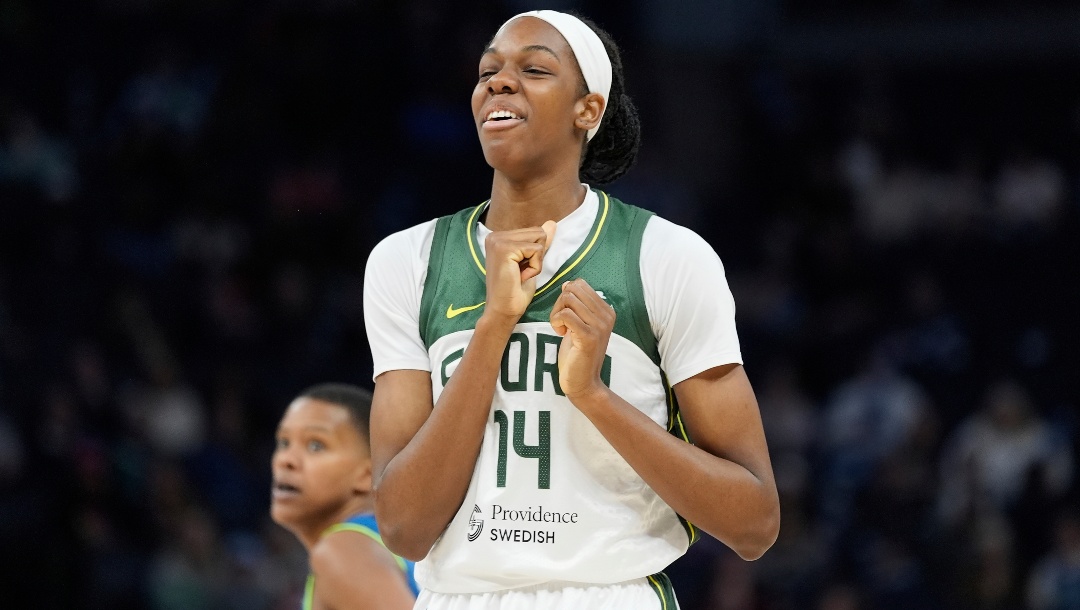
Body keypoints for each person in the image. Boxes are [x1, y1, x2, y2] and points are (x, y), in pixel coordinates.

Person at [363, 10, 779, 609]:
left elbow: (754, 524)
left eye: (534, 69)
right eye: (487, 71)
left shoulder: (666, 257)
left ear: (589, 110)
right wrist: (493, 325)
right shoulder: (407, 260)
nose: (498, 82)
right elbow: (404, 529)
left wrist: (593, 395)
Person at [271, 383, 419, 609]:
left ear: (368, 474)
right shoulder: (388, 545)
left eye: (315, 445)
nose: (285, 460)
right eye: (284, 442)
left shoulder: (342, 551)